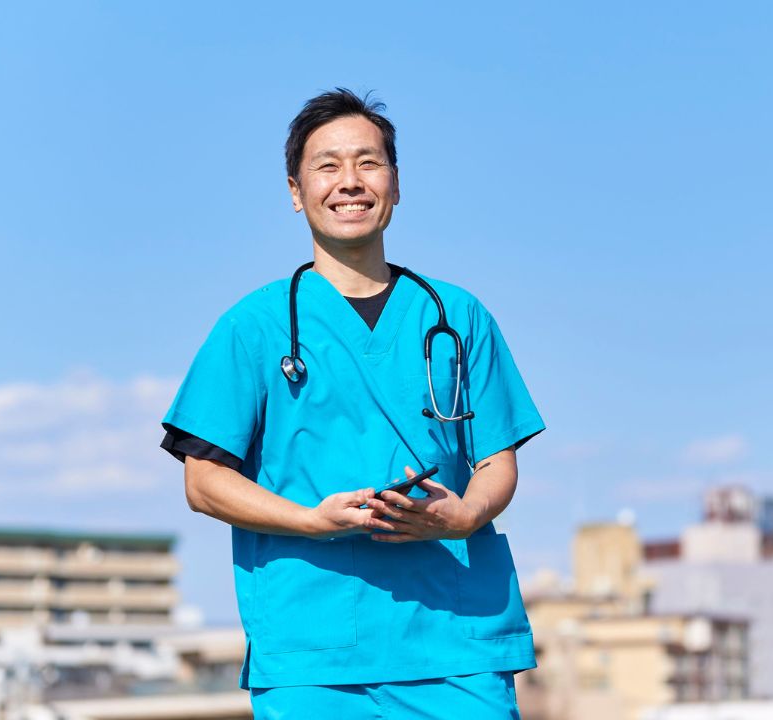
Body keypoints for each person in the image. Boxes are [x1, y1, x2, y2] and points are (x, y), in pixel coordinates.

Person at [159, 88, 545, 718]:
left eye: (369, 163)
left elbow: (497, 458)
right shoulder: (252, 327)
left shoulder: (458, 317)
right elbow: (203, 483)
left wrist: (464, 515)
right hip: (314, 652)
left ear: (395, 184)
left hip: (458, 644)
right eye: (327, 166)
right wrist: (313, 520)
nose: (350, 182)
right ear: (295, 191)